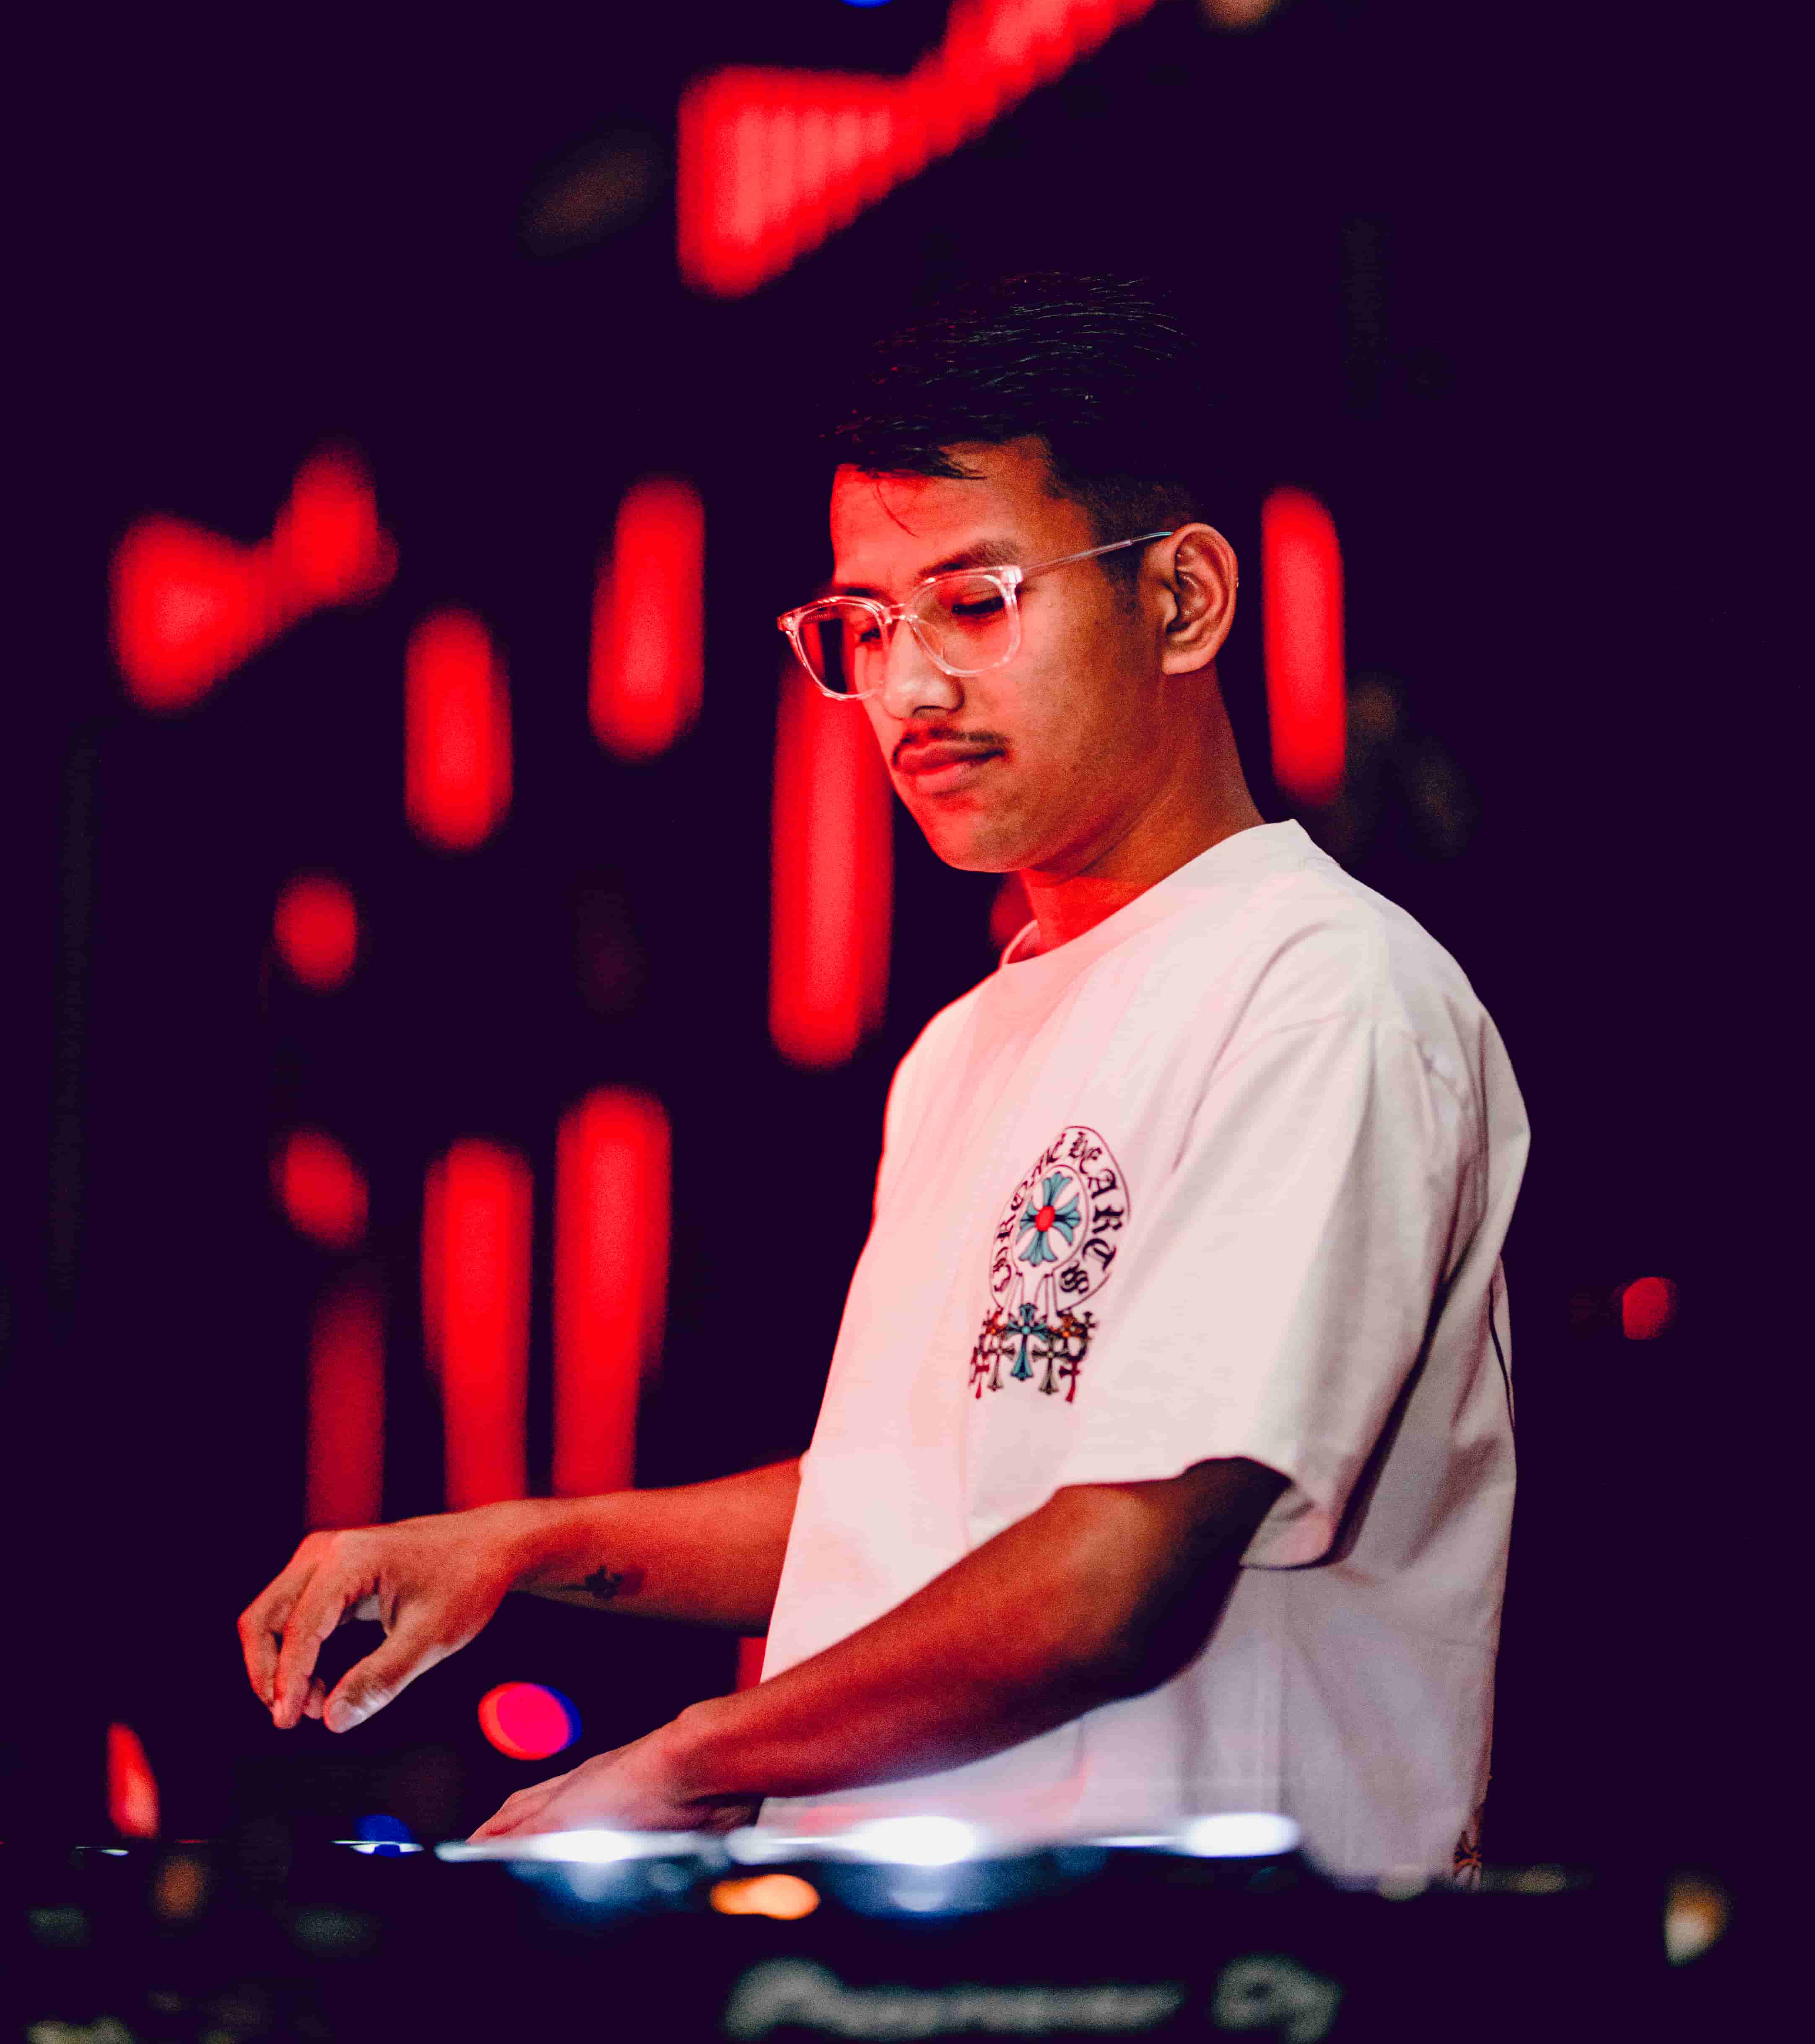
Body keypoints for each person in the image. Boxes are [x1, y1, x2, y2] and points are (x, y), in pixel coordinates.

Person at [238, 274, 1529, 1883]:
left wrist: (686, 1762)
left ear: (1184, 600)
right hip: (923, 1960)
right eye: (865, 626)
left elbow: (1111, 1579)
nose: (908, 690)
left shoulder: (1321, 988)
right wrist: (521, 1542)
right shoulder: (964, 1048)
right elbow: (908, 1508)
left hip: (1212, 1968)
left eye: (975, 603)